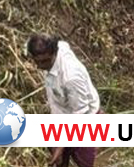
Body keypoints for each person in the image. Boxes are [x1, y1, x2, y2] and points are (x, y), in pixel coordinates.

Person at [27, 34, 100, 167]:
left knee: (84, 161)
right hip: (63, 111)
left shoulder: (70, 77)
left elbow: (80, 115)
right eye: (38, 62)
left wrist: (60, 147)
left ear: (54, 53)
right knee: (57, 157)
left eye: (45, 61)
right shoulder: (57, 49)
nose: (41, 66)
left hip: (85, 117)